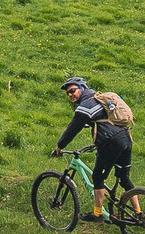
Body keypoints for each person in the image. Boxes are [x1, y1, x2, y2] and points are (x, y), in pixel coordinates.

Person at [54, 75, 134, 219]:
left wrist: (59, 146)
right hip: (126, 138)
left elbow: (72, 129)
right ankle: (139, 213)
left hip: (111, 142)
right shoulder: (99, 100)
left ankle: (97, 214)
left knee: (97, 176)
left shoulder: (86, 106)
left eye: (72, 90)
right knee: (124, 178)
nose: (70, 95)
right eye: (68, 93)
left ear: (82, 88)